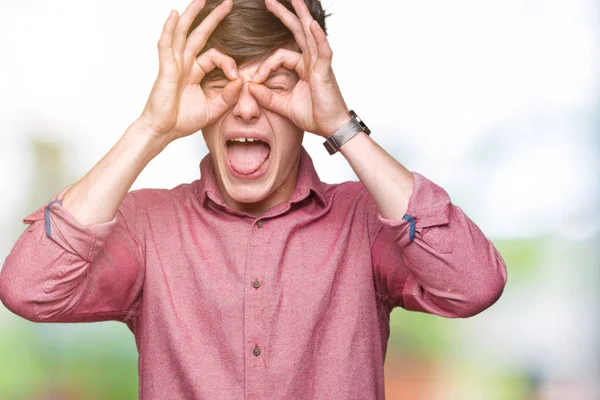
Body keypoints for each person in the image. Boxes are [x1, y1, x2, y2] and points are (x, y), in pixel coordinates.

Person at [0, 0, 507, 398]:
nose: (244, 107)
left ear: (309, 97)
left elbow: (474, 284)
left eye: (274, 85)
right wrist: (151, 128)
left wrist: (342, 126)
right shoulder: (146, 226)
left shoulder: (366, 221)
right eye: (220, 84)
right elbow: (28, 289)